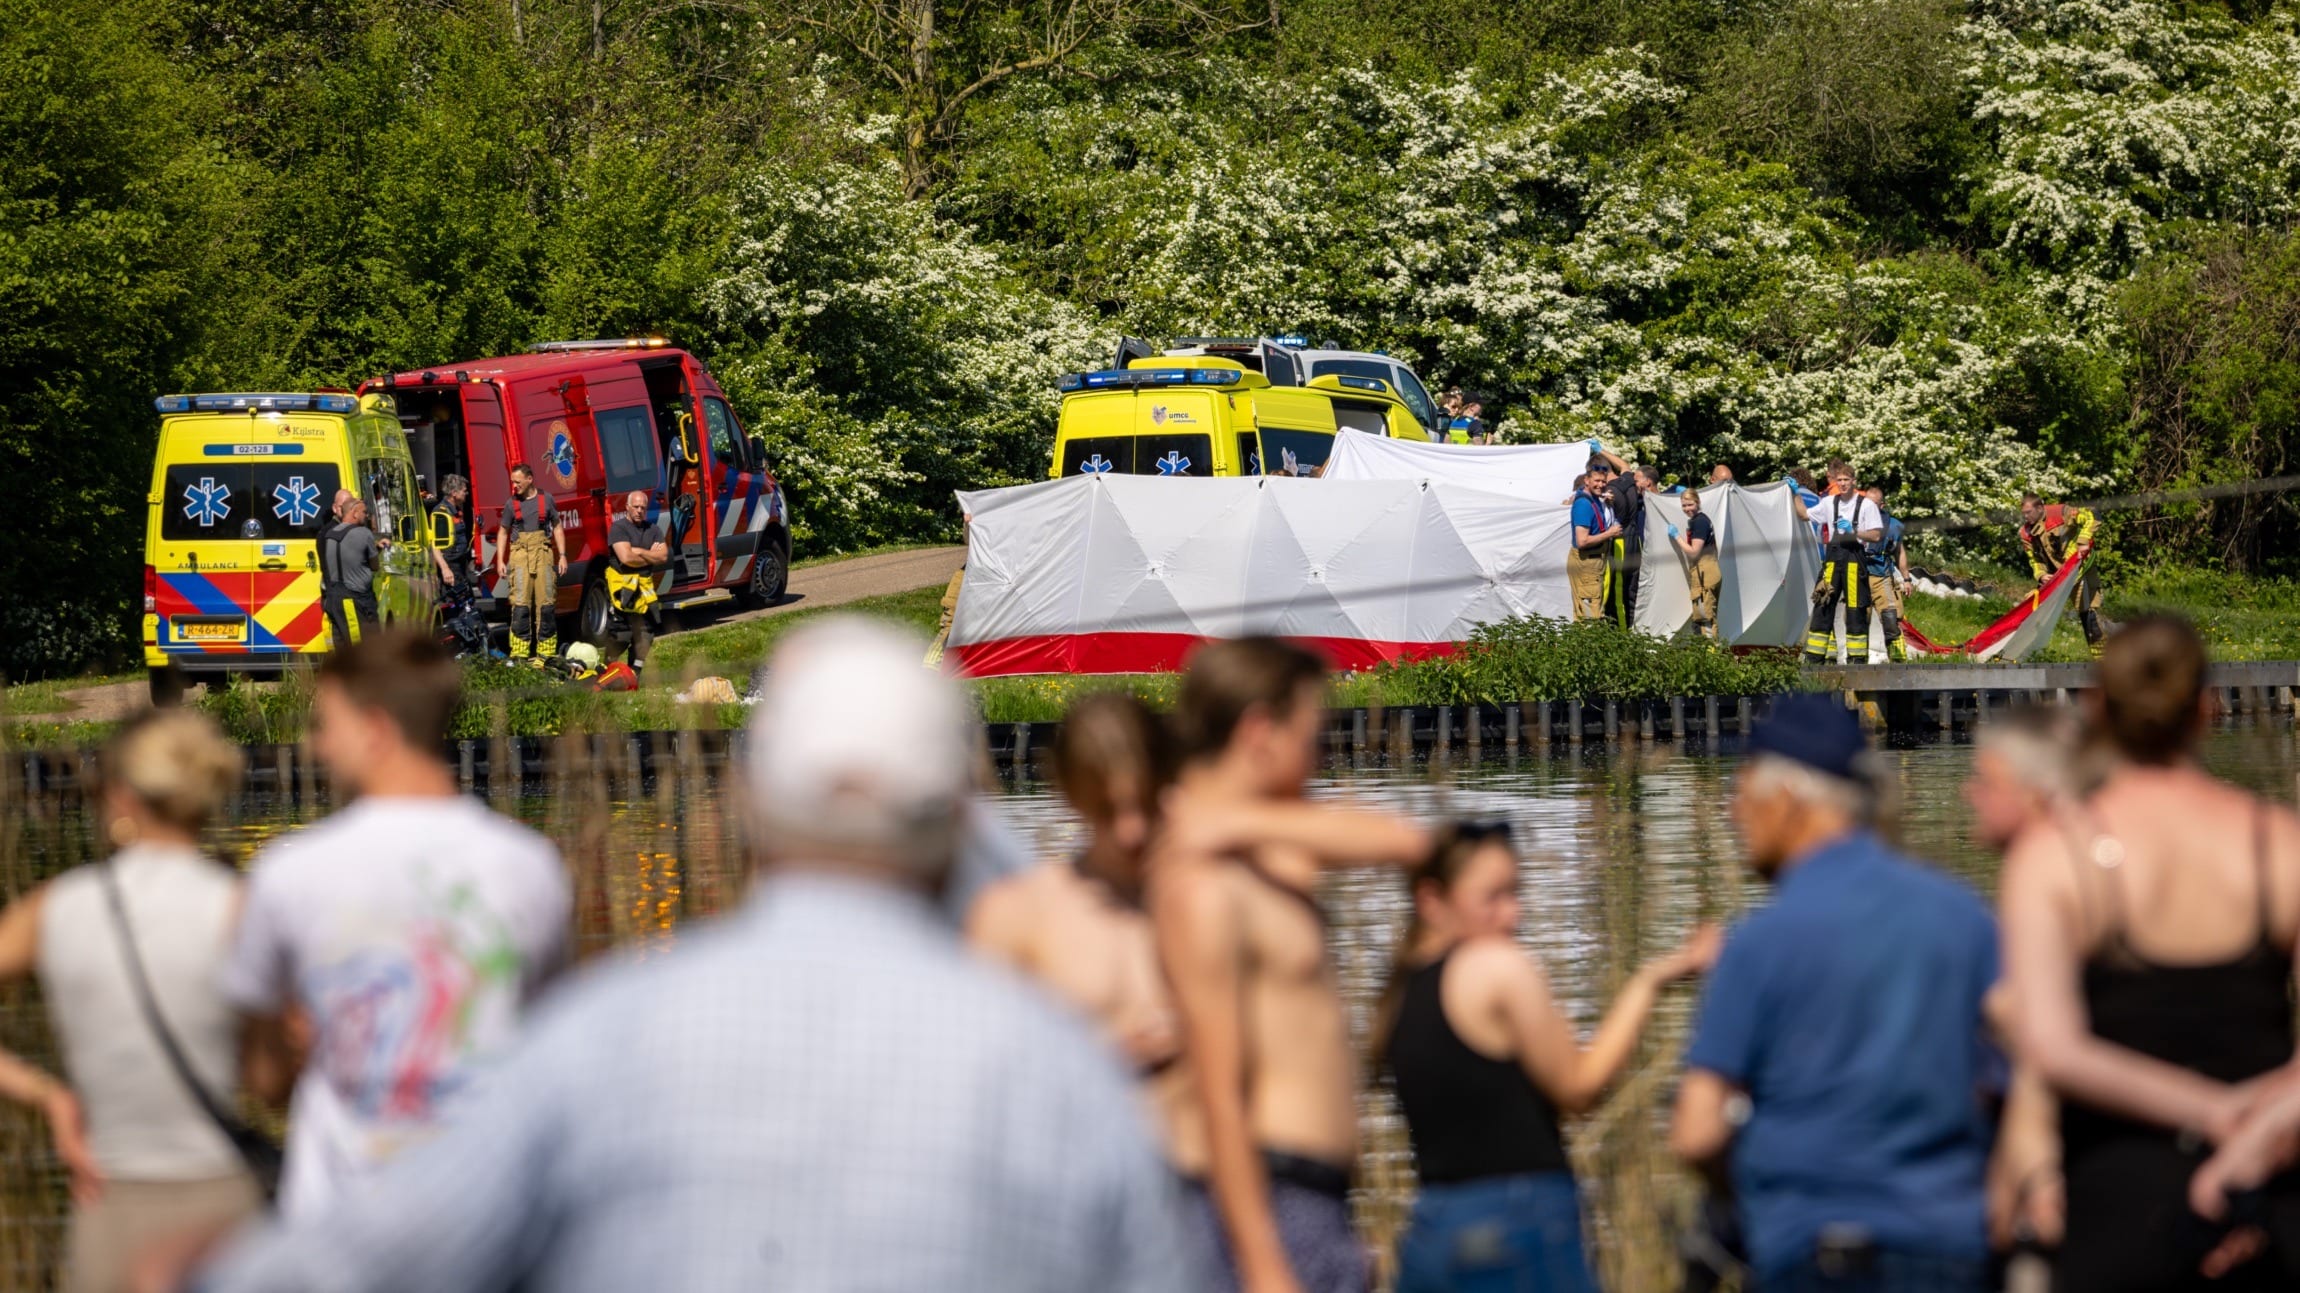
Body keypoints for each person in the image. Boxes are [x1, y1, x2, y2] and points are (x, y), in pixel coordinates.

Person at [191, 618, 1194, 1293]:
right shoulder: (1060, 1074)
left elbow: (370, 1254)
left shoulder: (608, 1038)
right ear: (955, 817)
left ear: (748, 801)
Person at [218, 629, 569, 1219]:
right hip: (485, 1219)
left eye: (328, 725)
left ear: (376, 730)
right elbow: (548, 1050)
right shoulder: (531, 866)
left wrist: (295, 1042)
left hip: (343, 1227)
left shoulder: (289, 871)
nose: (320, 747)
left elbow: (265, 1080)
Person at [2001, 616, 2300, 1290]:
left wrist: (2204, 1111)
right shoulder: (2280, 842)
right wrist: (2246, 1133)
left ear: (2096, 709)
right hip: (2265, 1187)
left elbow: (2052, 1047)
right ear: (2207, 707)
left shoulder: (2053, 855)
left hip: (2117, 1198)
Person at [1671, 693, 2000, 1291]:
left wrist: (1754, 1192)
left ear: (1790, 800)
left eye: (1744, 794)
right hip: (1947, 1246)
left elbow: (1696, 1131)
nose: (1732, 813)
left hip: (1808, 1251)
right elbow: (2013, 1078)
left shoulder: (1758, 941)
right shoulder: (1962, 915)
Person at [1150, 638, 1426, 1293]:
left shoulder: (1258, 846)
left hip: (1314, 1201)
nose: (1320, 755)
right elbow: (1218, 1090)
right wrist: (1264, 1264)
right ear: (1260, 732)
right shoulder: (1202, 881)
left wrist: (1234, 819)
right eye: (1312, 736)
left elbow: (1405, 841)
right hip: (1267, 1200)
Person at [1376, 821, 1718, 1293]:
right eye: (1491, 897)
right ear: (1432, 901)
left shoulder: (1399, 992)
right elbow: (1579, 1087)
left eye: (1515, 892)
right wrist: (1650, 982)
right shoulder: (1497, 966)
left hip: (1433, 1229)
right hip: (1518, 1218)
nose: (1512, 915)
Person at [0, 712, 261, 1293]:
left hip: (107, 1200)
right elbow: (275, 1075)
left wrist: (49, 1096)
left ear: (119, 796)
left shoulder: (59, 906)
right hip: (223, 1202)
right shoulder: (242, 908)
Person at [1963, 706, 2094, 1277]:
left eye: (1987, 782)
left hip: (2057, 1180)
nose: (1969, 794)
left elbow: (2040, 1052)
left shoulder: (2042, 874)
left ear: (2038, 795)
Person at [1801, 462, 1883, 664]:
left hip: (1855, 561)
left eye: (1847, 480)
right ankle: (1814, 658)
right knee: (1823, 603)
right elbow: (1804, 514)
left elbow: (1875, 535)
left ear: (1854, 481)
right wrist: (1793, 493)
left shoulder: (1866, 505)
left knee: (1855, 608)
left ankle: (1856, 659)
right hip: (1832, 562)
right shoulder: (1829, 502)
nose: (1843, 484)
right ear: (1835, 481)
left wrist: (1854, 532)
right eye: (1840, 480)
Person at [495, 463, 566, 662]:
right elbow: (503, 532)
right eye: (512, 482)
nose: (514, 486)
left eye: (517, 482)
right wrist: (501, 560)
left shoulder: (547, 499)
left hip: (543, 554)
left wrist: (563, 555)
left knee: (546, 604)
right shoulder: (511, 504)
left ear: (529, 479)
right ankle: (519, 654)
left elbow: (557, 528)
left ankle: (546, 653)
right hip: (520, 557)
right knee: (520, 605)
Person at [2017, 493, 2106, 647]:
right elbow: (2034, 560)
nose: (2025, 517)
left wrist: (2083, 540)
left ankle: (2101, 655)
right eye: (2023, 514)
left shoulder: (2062, 512)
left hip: (2078, 570)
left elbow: (2093, 515)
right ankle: (2023, 652)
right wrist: (2041, 575)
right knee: (2031, 608)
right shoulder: (2025, 533)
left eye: (2028, 513)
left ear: (2040, 508)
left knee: (2088, 613)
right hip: (2054, 577)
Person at [605, 490, 668, 670]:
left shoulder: (653, 530)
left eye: (643, 507)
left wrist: (639, 551)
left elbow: (663, 556)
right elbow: (626, 559)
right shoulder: (619, 528)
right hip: (622, 592)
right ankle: (606, 670)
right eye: (636, 507)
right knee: (620, 636)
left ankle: (634, 673)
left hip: (645, 594)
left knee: (645, 636)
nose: (639, 511)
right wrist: (649, 555)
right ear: (627, 507)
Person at [428, 474, 485, 658]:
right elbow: (435, 545)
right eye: (463, 490)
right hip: (451, 567)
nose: (466, 493)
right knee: (457, 608)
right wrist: (444, 568)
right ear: (453, 493)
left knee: (467, 606)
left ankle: (468, 648)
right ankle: (457, 651)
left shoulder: (456, 511)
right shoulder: (441, 514)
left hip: (460, 566)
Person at [319, 492, 380, 650]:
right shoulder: (364, 533)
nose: (366, 516)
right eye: (364, 512)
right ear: (354, 513)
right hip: (355, 600)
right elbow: (375, 566)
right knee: (361, 649)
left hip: (333, 599)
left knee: (341, 649)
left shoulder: (329, 535)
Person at [1863, 485, 1911, 662]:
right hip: (1859, 576)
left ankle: (1898, 661)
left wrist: (1906, 579)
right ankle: (1857, 662)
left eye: (1872, 505)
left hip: (1882, 576)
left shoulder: (1893, 526)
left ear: (1881, 506)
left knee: (1891, 618)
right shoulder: (1853, 521)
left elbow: (1900, 552)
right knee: (1858, 621)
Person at [1568, 459, 1620, 623]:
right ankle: (1586, 646)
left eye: (1604, 481)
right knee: (1590, 614)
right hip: (1587, 562)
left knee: (1595, 607)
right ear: (1586, 480)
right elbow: (1582, 541)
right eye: (1596, 481)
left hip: (1595, 561)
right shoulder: (1583, 504)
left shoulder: (1595, 499)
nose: (1601, 485)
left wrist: (1606, 502)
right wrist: (1609, 533)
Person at [1672, 489, 1721, 638]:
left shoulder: (1699, 522)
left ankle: (1711, 655)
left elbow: (1694, 551)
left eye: (1690, 504)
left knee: (1705, 617)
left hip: (1704, 574)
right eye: (1684, 505)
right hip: (1707, 571)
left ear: (1698, 503)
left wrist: (1676, 537)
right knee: (1704, 615)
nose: (1687, 509)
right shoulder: (1701, 519)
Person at [1603, 463, 1646, 628]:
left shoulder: (1609, 491)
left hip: (1620, 541)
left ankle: (1623, 633)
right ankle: (1633, 626)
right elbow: (1624, 465)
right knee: (1632, 590)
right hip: (1635, 541)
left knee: (1619, 591)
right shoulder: (1628, 480)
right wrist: (1603, 451)